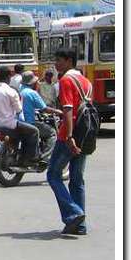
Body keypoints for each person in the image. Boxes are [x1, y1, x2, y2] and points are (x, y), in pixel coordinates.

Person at [47, 48, 93, 235]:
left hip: (69, 136)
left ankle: (74, 213)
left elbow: (68, 109)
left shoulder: (66, 80)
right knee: (76, 180)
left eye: (58, 60)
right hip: (86, 135)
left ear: (68, 61)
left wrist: (69, 136)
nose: (56, 64)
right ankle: (79, 226)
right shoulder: (86, 82)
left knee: (53, 175)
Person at [0, 66, 39, 164]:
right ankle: (29, 158)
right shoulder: (11, 91)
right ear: (9, 77)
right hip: (10, 124)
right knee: (34, 131)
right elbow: (19, 110)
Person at [19, 71, 58, 161]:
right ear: (32, 83)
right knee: (52, 133)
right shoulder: (31, 93)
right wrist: (58, 111)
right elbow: (44, 108)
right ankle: (44, 157)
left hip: (19, 122)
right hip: (29, 122)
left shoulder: (20, 91)